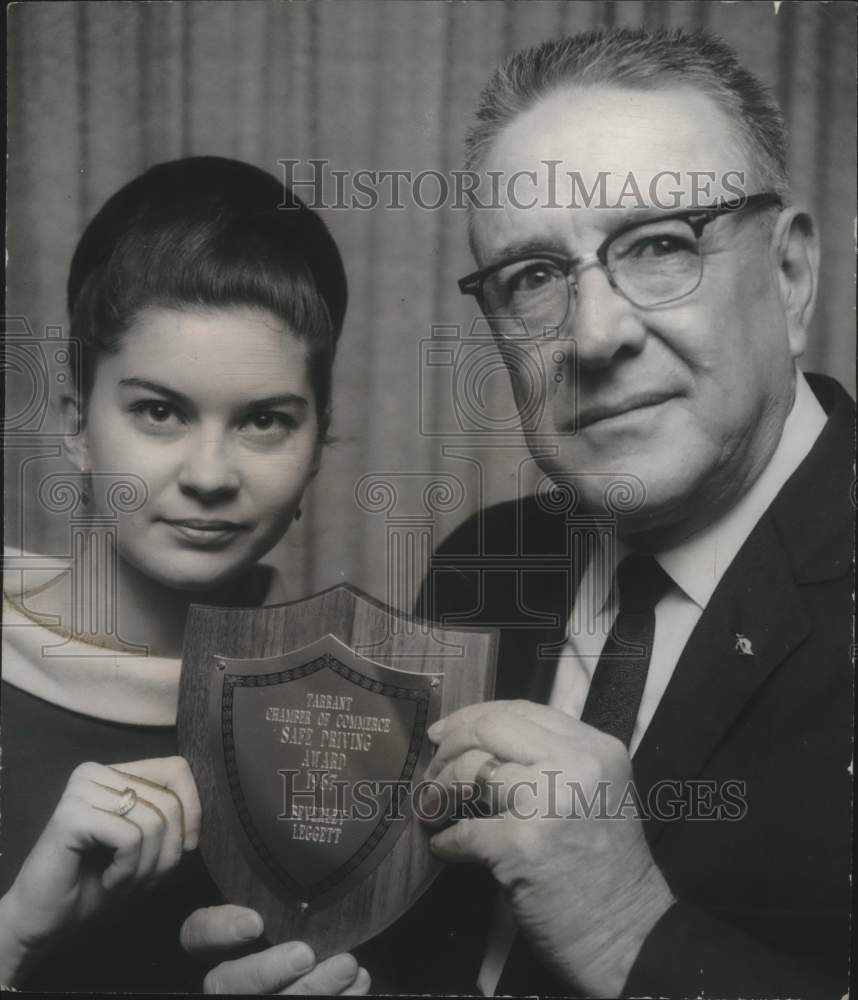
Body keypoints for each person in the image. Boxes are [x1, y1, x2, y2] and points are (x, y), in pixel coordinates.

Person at [179, 28, 852, 998]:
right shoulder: (482, 564)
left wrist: (631, 932)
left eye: (660, 246)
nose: (595, 334)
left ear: (789, 274)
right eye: (535, 278)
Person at [0, 156, 370, 995]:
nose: (210, 473)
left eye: (265, 421)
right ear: (76, 427)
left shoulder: (347, 715)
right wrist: (12, 936)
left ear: (317, 447)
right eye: (158, 411)